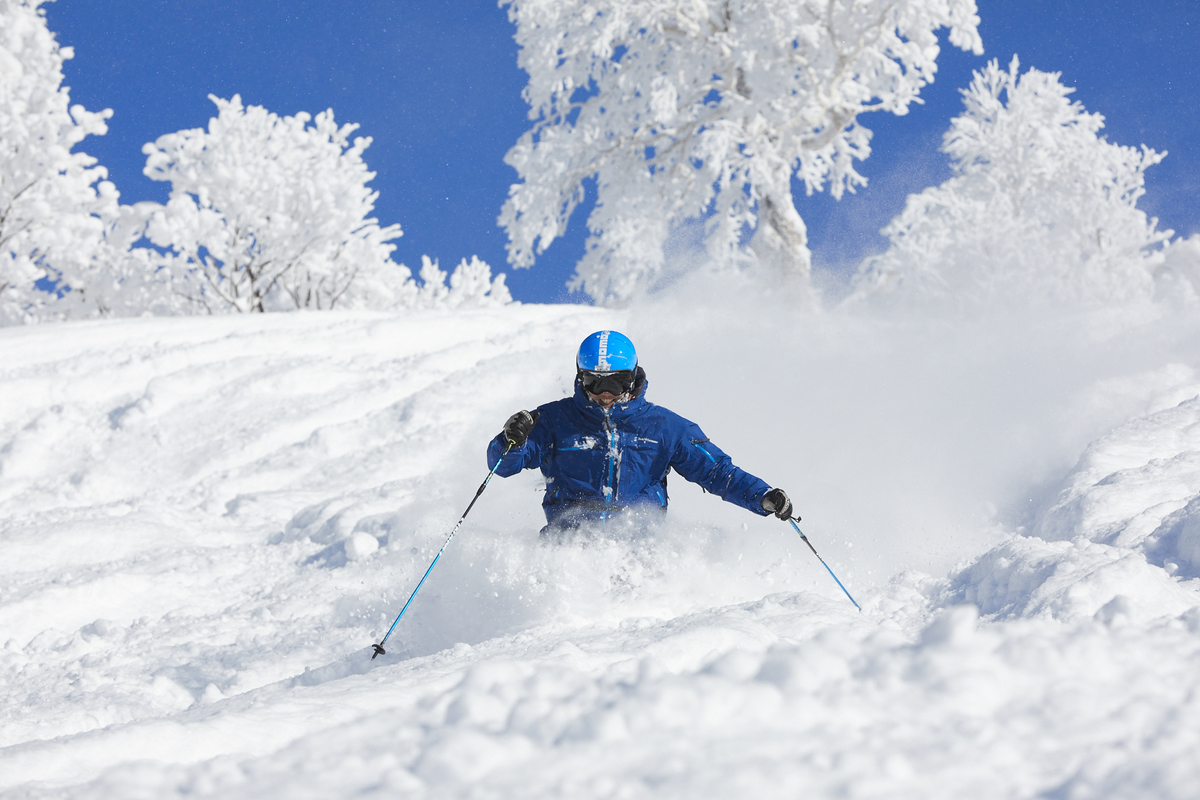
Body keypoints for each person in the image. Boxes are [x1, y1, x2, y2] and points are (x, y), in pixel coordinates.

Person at [487, 330, 795, 532]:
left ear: (632, 378)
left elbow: (717, 472)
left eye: (615, 382)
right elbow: (502, 466)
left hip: (639, 547)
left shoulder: (665, 427)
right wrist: (511, 441)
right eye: (595, 382)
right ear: (580, 379)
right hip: (569, 545)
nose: (604, 393)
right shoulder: (554, 420)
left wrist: (763, 496)